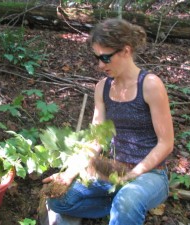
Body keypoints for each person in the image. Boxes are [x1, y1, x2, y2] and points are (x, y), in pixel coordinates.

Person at [41, 18, 174, 225]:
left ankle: (126, 206)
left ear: (126, 51)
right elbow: (95, 141)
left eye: (105, 57)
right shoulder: (102, 87)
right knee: (59, 199)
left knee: (127, 200)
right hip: (114, 172)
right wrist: (68, 174)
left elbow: (166, 143)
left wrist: (133, 174)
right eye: (97, 57)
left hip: (150, 174)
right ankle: (120, 210)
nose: (100, 65)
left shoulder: (150, 85)